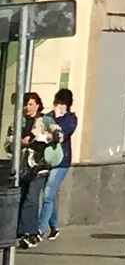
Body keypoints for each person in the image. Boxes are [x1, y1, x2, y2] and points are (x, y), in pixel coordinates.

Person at [14, 92, 54, 250]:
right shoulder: (19, 121)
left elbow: (54, 135)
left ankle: (29, 232)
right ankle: (23, 230)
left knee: (31, 198)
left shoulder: (44, 120)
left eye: (30, 104)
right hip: (22, 167)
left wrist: (39, 137)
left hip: (40, 167)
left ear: (37, 104)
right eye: (25, 104)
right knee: (22, 197)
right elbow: (8, 142)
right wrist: (18, 143)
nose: (27, 108)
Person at [35, 85, 74, 242]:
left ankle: (39, 230)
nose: (57, 105)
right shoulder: (49, 116)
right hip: (48, 160)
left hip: (62, 161)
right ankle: (54, 226)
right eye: (56, 102)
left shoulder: (71, 119)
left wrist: (57, 122)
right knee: (49, 194)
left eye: (60, 103)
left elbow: (63, 134)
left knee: (48, 193)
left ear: (66, 104)